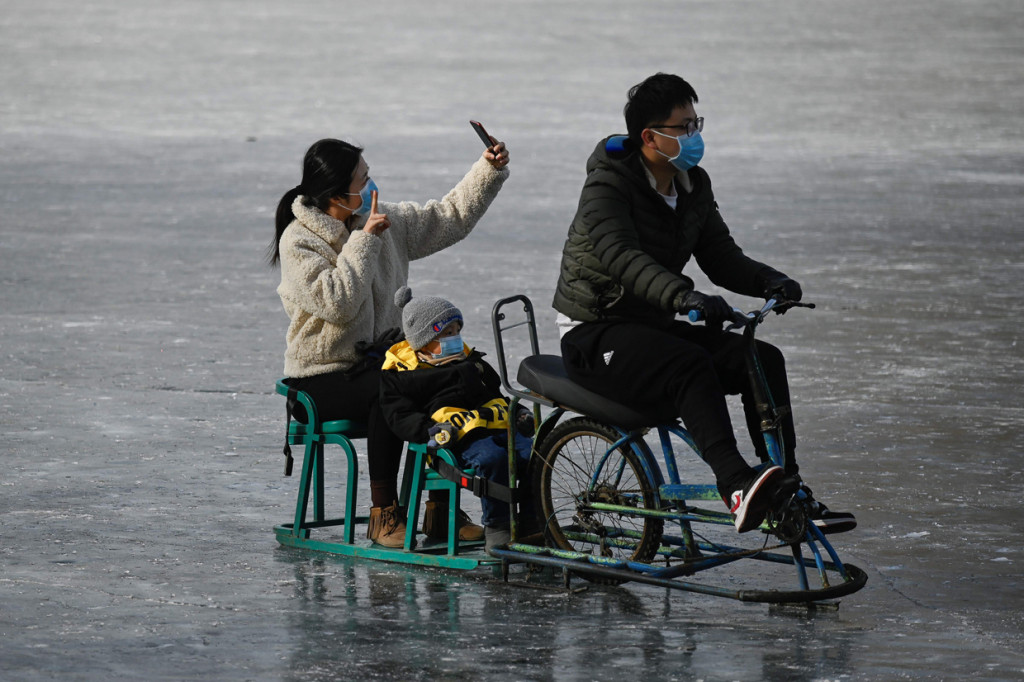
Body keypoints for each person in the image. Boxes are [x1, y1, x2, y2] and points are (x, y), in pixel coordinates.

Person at [552, 73, 855, 534]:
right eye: (684, 127)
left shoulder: (691, 183)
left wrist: (768, 280)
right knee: (689, 364)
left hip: (649, 326)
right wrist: (683, 296)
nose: (695, 136)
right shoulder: (607, 188)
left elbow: (719, 255)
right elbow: (622, 259)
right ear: (650, 136)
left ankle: (786, 490)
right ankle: (736, 485)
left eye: (698, 124)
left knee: (761, 359)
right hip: (594, 333)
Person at [270, 135, 510, 548]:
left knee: (449, 377)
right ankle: (385, 512)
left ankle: (441, 511)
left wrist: (487, 170)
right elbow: (338, 303)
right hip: (322, 376)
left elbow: (447, 216)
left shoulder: (381, 218)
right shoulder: (300, 240)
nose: (370, 187)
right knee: (391, 390)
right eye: (362, 181)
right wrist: (364, 239)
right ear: (335, 193)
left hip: (382, 361)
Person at [380, 287, 539, 553]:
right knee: (492, 460)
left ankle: (533, 521)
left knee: (536, 454)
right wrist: (430, 431)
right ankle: (498, 526)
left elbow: (494, 394)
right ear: (423, 340)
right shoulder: (403, 375)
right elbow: (399, 415)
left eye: (457, 331)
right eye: (446, 333)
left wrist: (520, 413)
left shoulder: (471, 362)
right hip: (460, 439)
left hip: (499, 426)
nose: (455, 338)